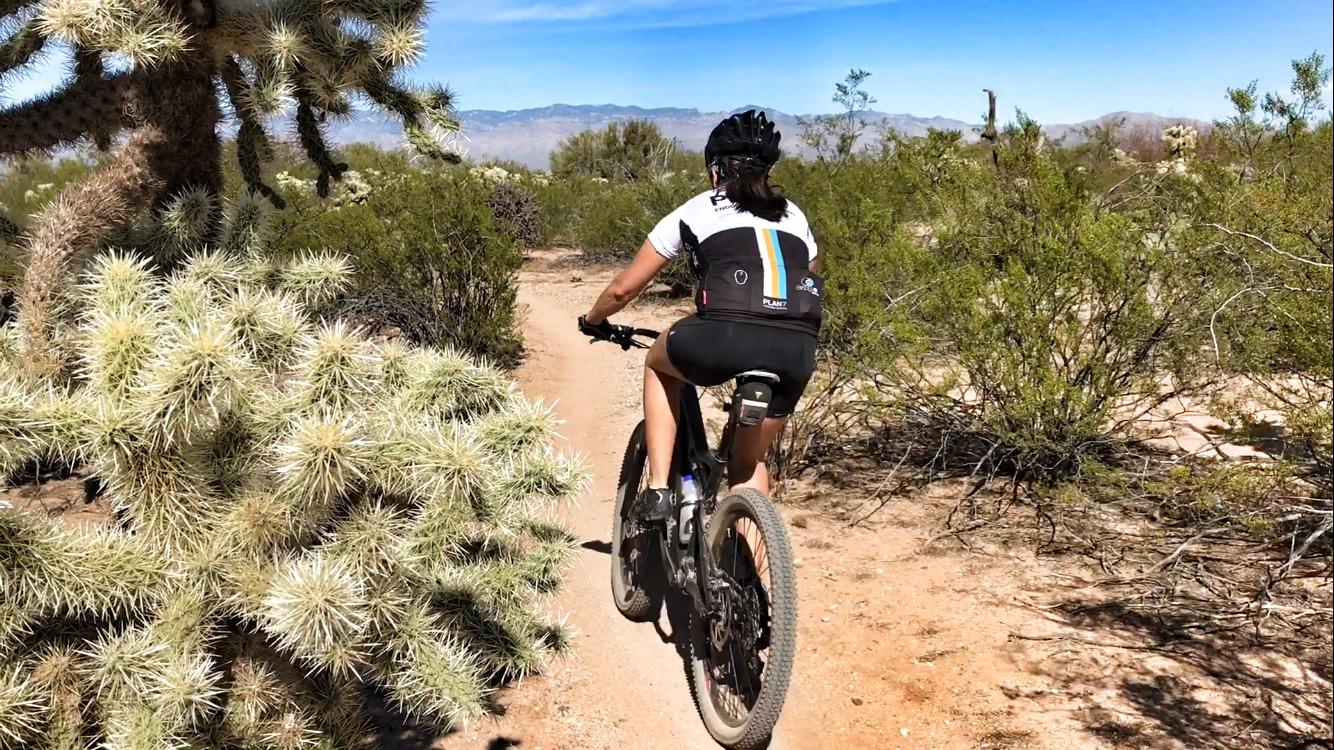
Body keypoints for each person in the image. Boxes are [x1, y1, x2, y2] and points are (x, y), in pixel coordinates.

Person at [579, 110, 822, 520]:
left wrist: (595, 319)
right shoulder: (793, 214)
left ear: (714, 171)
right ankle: (748, 574)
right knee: (748, 465)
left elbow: (624, 288)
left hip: (722, 335)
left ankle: (657, 489)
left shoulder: (697, 209)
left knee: (659, 364)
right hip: (797, 348)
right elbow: (807, 271)